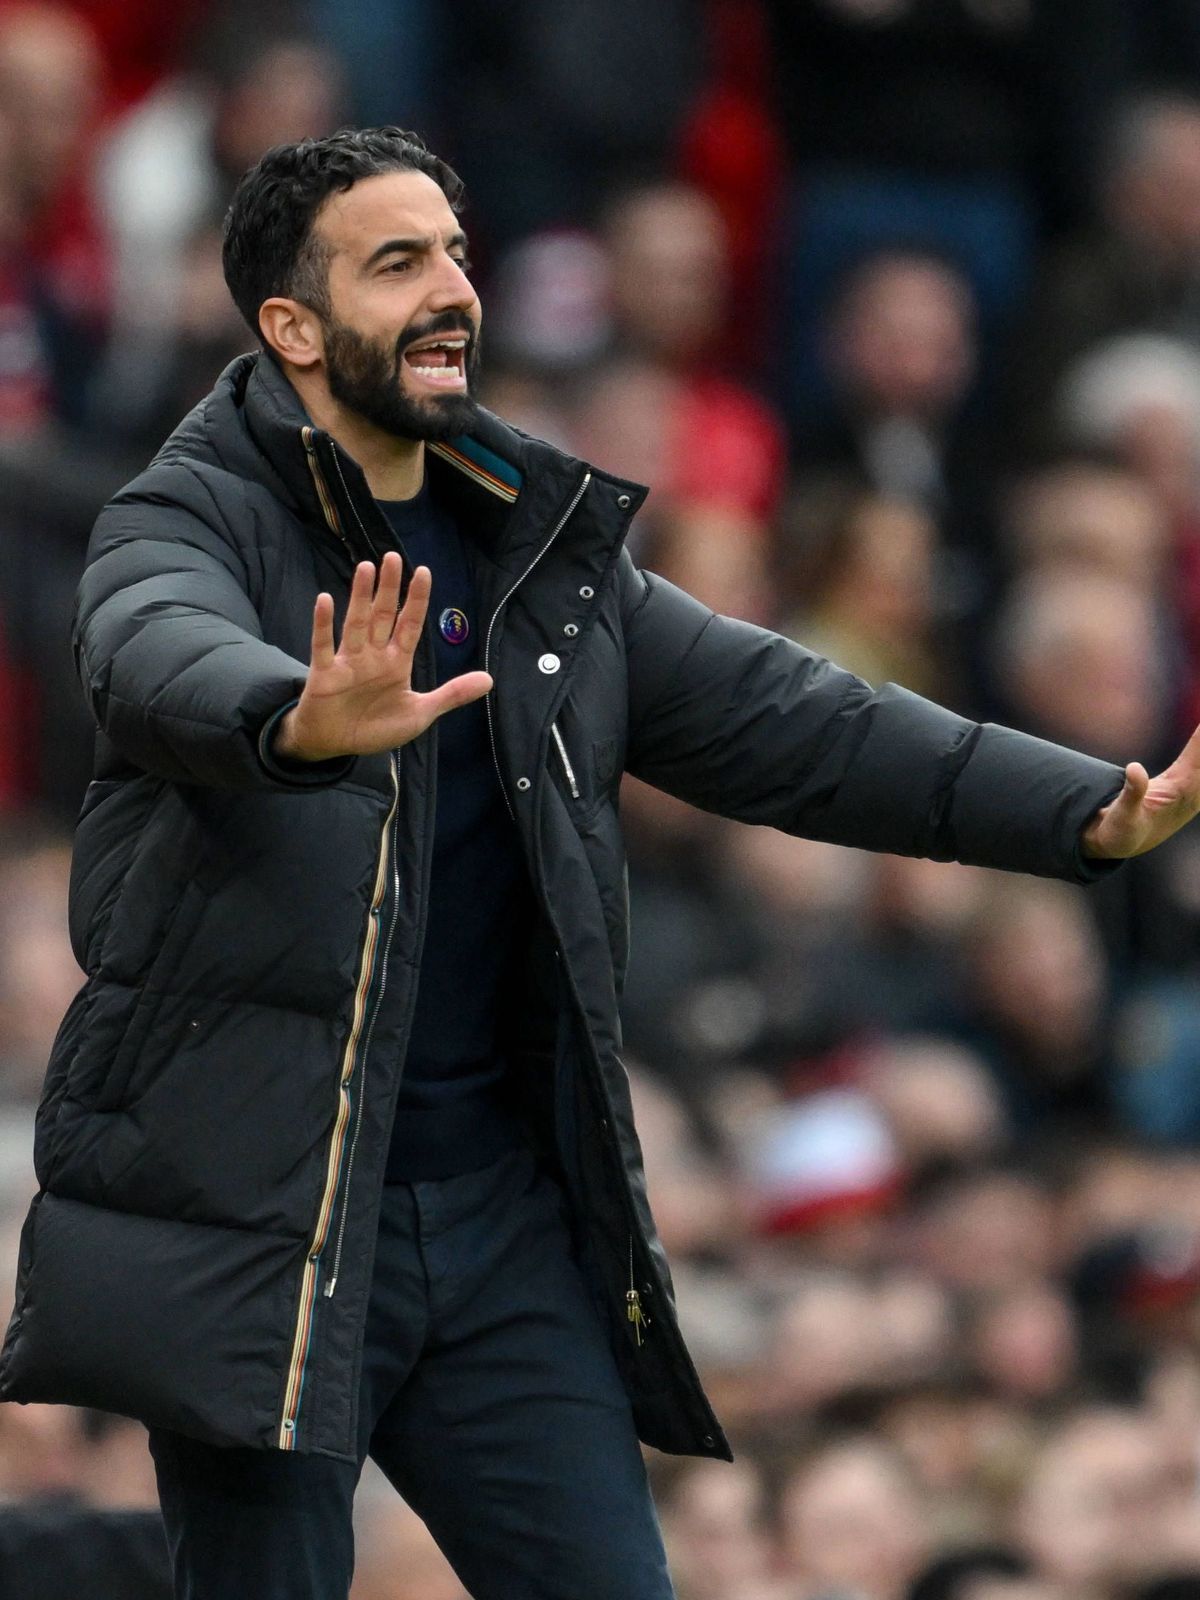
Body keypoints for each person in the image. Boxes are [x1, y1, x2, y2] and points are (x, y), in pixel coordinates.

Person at [0, 127, 1196, 1600]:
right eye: (398, 265)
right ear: (292, 327)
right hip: (274, 1226)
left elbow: (802, 724)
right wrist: (296, 718)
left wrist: (1085, 809)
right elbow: (146, 655)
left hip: (500, 1223)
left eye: (454, 252)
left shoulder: (536, 542)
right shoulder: (181, 517)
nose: (451, 292)